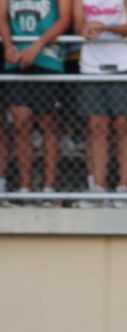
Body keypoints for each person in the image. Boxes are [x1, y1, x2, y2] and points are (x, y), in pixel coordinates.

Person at [73, 0, 127, 208]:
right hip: (91, 65)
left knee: (124, 125)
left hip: (125, 62)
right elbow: (77, 25)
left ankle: (125, 187)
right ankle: (98, 188)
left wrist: (105, 28)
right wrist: (85, 29)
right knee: (96, 126)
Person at [0, 0, 70, 206]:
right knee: (21, 120)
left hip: (48, 57)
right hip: (16, 59)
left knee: (47, 121)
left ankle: (49, 187)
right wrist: (9, 45)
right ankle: (25, 188)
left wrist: (38, 44)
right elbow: (2, 17)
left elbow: (65, 19)